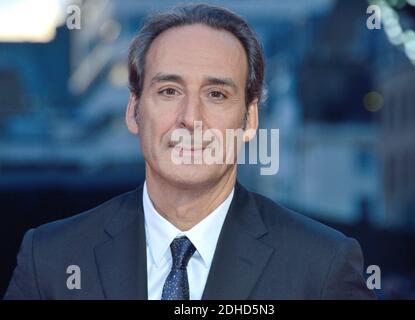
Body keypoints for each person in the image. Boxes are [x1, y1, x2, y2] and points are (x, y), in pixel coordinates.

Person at [4, 3, 375, 300]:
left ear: (248, 121)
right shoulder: (50, 260)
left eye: (216, 95)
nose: (191, 118)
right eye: (169, 91)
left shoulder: (321, 266)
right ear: (134, 111)